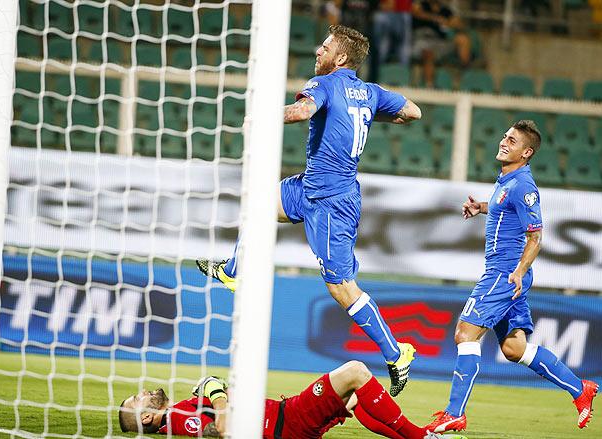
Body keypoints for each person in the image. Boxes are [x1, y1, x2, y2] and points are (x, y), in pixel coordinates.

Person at [196, 24, 422, 397]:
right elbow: (412, 112)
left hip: (332, 202)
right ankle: (234, 272)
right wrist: (363, 111)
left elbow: (302, 111)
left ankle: (397, 354)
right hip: (310, 187)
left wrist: (261, 116)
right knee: (258, 203)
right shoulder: (368, 92)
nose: (318, 51)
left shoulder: (326, 85)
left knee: (341, 288)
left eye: (325, 47)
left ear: (342, 58)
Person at [425, 120, 599, 433]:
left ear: (526, 152)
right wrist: (480, 207)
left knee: (465, 333)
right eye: (505, 136)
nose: (504, 141)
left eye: (513, 140)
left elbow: (536, 237)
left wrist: (518, 271)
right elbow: (503, 208)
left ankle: (454, 413)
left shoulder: (523, 186)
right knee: (514, 349)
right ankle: (579, 389)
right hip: (506, 273)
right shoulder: (507, 181)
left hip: (504, 273)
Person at [118, 360, 468, 439]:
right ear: (148, 418)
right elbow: (218, 427)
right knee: (356, 373)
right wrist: (217, 397)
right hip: (289, 421)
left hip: (287, 418)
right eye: (139, 400)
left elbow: (211, 395)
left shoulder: (179, 411)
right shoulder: (178, 419)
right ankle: (422, 436)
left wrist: (210, 391)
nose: (144, 393)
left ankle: (420, 436)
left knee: (353, 401)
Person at [411, 0, 471, 88]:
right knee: (428, 52)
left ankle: (466, 76)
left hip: (439, 43)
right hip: (421, 41)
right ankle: (429, 85)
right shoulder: (421, 5)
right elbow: (416, 12)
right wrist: (436, 18)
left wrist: (449, 22)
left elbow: (458, 24)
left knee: (463, 39)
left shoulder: (445, 10)